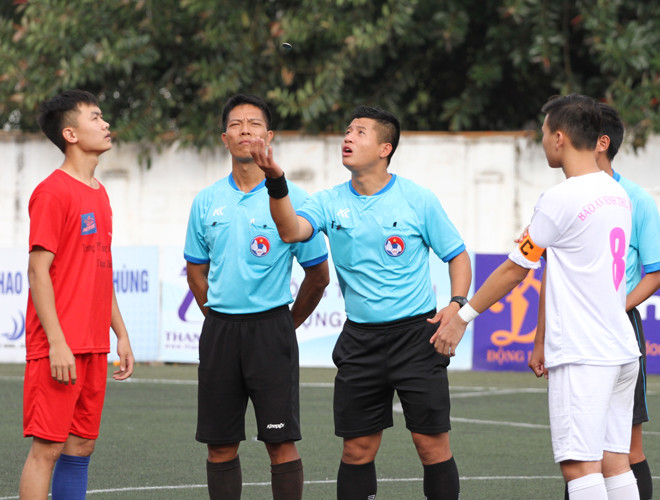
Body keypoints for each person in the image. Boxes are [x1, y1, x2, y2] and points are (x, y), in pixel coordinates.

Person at [250, 105, 471, 500]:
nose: (348, 137)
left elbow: (457, 256)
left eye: (360, 132)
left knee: (431, 447)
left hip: (416, 338)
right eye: (348, 130)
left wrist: (456, 305)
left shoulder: (417, 199)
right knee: (356, 450)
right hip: (360, 341)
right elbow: (289, 230)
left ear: (385, 148)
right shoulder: (329, 201)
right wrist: (275, 182)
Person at [434, 94, 642, 500]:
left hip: (584, 352)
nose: (542, 140)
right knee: (615, 462)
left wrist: (463, 317)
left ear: (559, 138)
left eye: (544, 132)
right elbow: (560, 264)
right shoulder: (616, 193)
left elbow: (516, 268)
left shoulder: (561, 198)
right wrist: (541, 339)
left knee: (580, 467)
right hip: (620, 349)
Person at [184, 93, 329, 500]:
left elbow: (319, 276)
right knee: (219, 445)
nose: (244, 130)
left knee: (280, 443)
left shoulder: (294, 199)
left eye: (254, 124)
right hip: (220, 333)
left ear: (270, 136)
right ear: (224, 138)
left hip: (271, 331)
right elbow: (195, 270)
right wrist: (216, 316)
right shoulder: (206, 200)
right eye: (235, 124)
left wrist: (286, 323)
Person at [19, 89, 135, 500]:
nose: (106, 124)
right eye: (95, 117)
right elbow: (38, 271)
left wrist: (120, 333)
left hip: (93, 345)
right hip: (59, 346)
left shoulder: (100, 193)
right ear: (70, 133)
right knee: (47, 450)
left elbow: (101, 269)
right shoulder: (52, 192)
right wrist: (56, 343)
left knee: (81, 446)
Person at [547, 103, 659, 500]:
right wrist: (540, 339)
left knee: (621, 450)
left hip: (613, 326)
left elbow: (655, 272)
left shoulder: (634, 198)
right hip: (580, 327)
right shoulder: (570, 196)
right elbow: (552, 272)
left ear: (601, 142)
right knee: (592, 456)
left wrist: (615, 306)